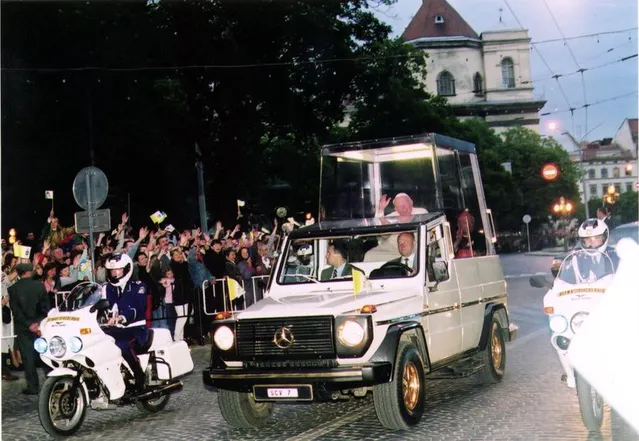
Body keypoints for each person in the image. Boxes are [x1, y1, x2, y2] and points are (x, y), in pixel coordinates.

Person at [102, 253, 150, 392]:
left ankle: (139, 376)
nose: (114, 274)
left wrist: (122, 317)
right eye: (111, 271)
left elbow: (139, 307)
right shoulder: (107, 288)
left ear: (127, 269)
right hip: (115, 329)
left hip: (135, 329)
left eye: (118, 270)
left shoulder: (138, 286)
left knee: (123, 344)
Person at [8, 263, 50, 394]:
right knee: (46, 354)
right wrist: (37, 323)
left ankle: (33, 386)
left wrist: (28, 324)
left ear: (19, 273)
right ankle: (52, 382)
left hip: (23, 327)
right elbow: (46, 307)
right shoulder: (39, 285)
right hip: (40, 326)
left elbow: (16, 311)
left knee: (28, 357)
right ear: (29, 272)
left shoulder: (13, 289)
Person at [563, 219, 618, 284]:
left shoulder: (615, 256)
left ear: (604, 237)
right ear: (583, 241)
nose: (591, 242)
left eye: (596, 238)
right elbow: (565, 280)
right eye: (587, 239)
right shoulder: (578, 259)